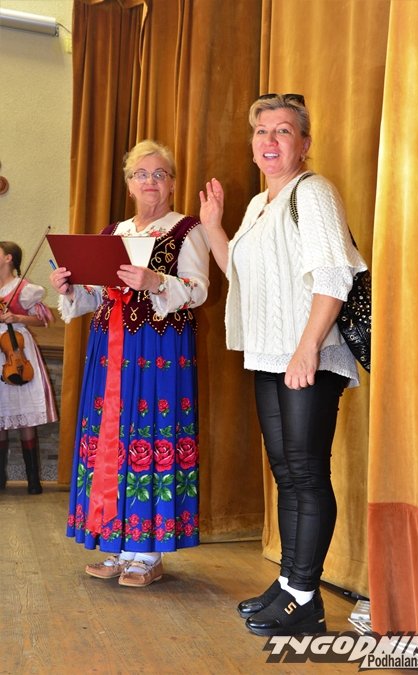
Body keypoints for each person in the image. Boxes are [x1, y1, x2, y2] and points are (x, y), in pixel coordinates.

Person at [199, 93, 367, 636]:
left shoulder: (313, 192)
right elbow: (242, 273)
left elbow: (334, 274)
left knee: (307, 472)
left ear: (304, 143)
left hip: (308, 354)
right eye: (261, 131)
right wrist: (213, 225)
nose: (270, 141)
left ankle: (303, 599)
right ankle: (292, 585)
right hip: (272, 353)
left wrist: (308, 347)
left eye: (283, 131)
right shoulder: (259, 204)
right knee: (288, 473)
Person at [50, 139, 209, 588]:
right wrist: (69, 288)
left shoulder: (187, 229)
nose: (150, 181)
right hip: (109, 349)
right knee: (111, 438)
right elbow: (95, 296)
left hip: (159, 351)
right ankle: (120, 547)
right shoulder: (112, 232)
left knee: (148, 434)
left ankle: (148, 553)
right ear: (129, 183)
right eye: (142, 174)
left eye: (160, 174)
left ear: (172, 183)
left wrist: (156, 280)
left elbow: (199, 290)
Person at [0, 241, 57, 494]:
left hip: (18, 348)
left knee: (25, 414)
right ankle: (0, 479)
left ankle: (34, 481)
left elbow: (43, 320)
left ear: (9, 258)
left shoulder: (24, 289)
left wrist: (17, 317)